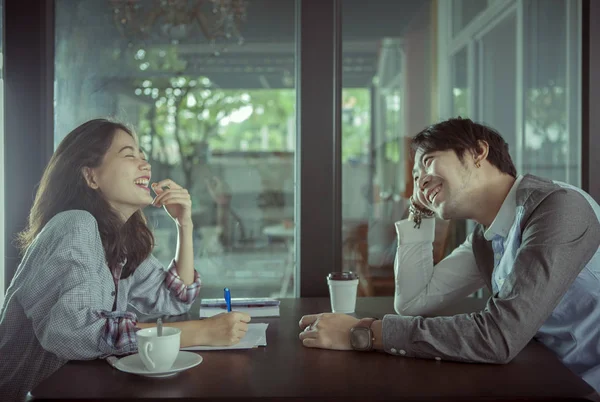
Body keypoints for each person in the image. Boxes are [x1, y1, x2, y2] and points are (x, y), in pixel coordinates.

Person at [299, 117, 600, 392]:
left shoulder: (558, 209)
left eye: (428, 162)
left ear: (478, 152)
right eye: (415, 178)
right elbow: (413, 303)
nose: (419, 183)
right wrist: (420, 211)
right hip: (548, 376)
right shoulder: (486, 238)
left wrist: (362, 333)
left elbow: (498, 337)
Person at [0, 119, 251, 401]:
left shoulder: (119, 237)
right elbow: (74, 332)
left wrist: (184, 224)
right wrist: (200, 332)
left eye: (143, 156)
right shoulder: (74, 225)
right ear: (91, 177)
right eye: (129, 155)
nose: (146, 165)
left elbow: (173, 298)